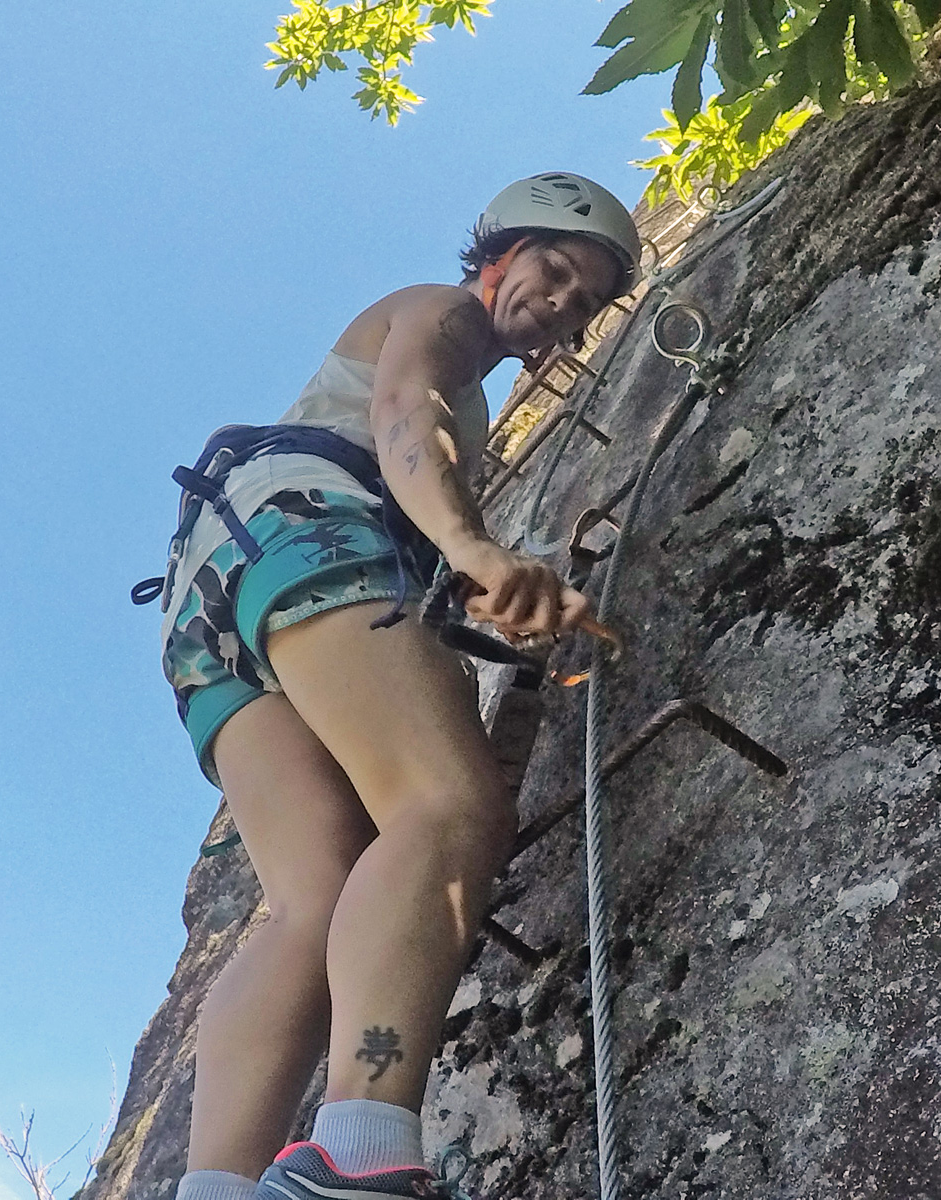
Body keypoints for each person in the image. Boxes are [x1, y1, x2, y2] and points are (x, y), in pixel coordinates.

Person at [156, 172, 641, 1200]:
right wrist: (470, 544)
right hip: (300, 524)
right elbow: (400, 406)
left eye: (585, 300)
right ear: (496, 256)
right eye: (553, 269)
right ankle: (358, 1153)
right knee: (448, 805)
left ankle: (215, 1189)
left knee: (311, 898)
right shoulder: (443, 313)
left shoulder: (477, 380)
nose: (560, 302)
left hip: (217, 592)